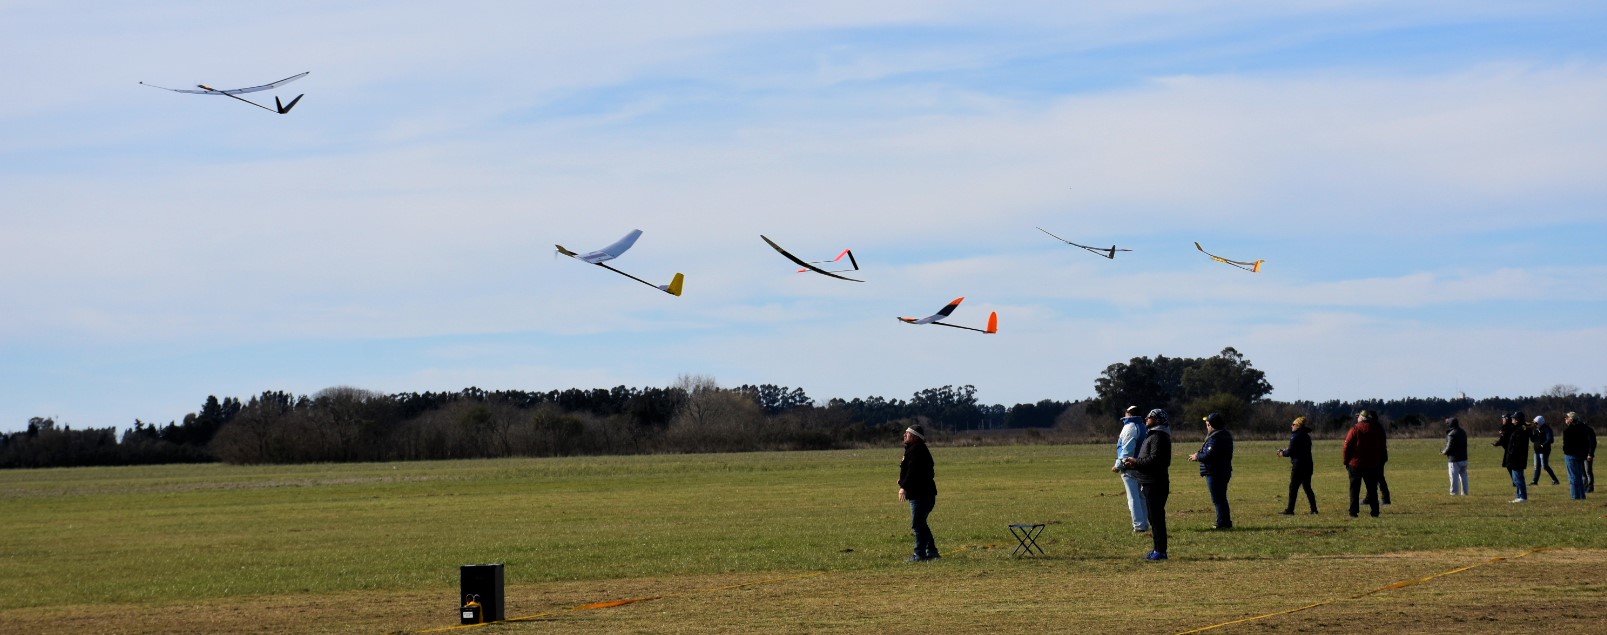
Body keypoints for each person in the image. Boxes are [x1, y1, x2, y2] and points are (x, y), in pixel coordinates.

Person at [1123, 409, 1172, 561]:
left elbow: (1155, 461)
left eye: (1149, 417)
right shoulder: (1153, 435)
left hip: (1155, 483)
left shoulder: (1158, 436)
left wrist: (1135, 462)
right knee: (1153, 517)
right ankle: (1157, 549)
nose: (1146, 418)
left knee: (1156, 518)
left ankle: (1160, 551)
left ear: (1157, 420)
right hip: (1151, 482)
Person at [897, 425, 939, 562]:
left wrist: (904, 486)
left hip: (921, 495)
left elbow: (913, 472)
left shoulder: (916, 450)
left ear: (914, 437)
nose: (905, 435)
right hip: (925, 494)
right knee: (921, 523)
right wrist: (903, 480)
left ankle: (919, 554)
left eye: (907, 434)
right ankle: (932, 551)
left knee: (918, 524)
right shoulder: (915, 449)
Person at [1188, 413, 1234, 529]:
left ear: (1212, 425)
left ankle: (1223, 523)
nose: (1206, 426)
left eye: (1207, 424)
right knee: (1221, 497)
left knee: (1218, 499)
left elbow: (1209, 455)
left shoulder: (1216, 438)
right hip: (1222, 470)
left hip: (1215, 472)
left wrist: (1197, 456)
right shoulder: (1224, 435)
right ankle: (1225, 521)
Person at [1110, 405, 1149, 532]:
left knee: (1133, 498)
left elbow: (1127, 449)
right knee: (1141, 497)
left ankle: (1138, 526)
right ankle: (1145, 523)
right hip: (1142, 465)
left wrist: (1118, 465)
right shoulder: (1143, 426)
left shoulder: (1129, 427)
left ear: (1129, 413)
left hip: (1130, 466)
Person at [1342, 410, 1386, 518]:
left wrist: (1346, 461)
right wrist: (1379, 460)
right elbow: (1382, 446)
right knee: (1372, 489)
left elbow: (1346, 446)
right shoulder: (1377, 429)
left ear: (1361, 418)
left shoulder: (1355, 429)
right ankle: (1375, 511)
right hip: (1372, 464)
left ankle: (1353, 512)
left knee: (1354, 489)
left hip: (1355, 463)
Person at [1277, 416, 1317, 514]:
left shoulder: (1295, 436)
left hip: (1298, 466)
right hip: (1308, 465)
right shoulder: (1306, 436)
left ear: (1298, 426)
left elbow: (1290, 452)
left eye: (1293, 424)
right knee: (1307, 487)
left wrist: (1282, 453)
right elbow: (1297, 449)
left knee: (1293, 488)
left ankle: (1290, 510)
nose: (1292, 426)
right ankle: (1314, 509)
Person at [1495, 411, 1532, 502]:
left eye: (1514, 418)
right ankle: (1519, 496)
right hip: (1515, 457)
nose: (1512, 419)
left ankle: (1523, 497)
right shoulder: (1517, 428)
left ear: (1518, 420)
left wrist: (1511, 453)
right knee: (1516, 478)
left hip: (1517, 457)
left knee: (1518, 478)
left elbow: (1518, 445)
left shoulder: (1521, 430)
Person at [1561, 412, 1596, 500]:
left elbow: (1566, 446)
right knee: (1580, 476)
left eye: (1567, 417)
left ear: (1571, 419)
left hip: (1571, 455)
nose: (1565, 419)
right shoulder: (1584, 429)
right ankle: (1582, 495)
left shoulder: (1568, 431)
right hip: (1581, 455)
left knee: (1573, 477)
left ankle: (1575, 496)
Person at [1531, 415, 1560, 486]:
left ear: (1540, 422)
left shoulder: (1547, 429)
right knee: (1537, 466)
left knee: (1545, 466)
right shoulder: (1536, 430)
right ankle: (1535, 481)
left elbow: (1550, 439)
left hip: (1544, 451)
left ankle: (1555, 480)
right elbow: (1533, 439)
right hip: (1537, 451)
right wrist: (1530, 433)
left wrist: (1543, 445)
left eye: (1536, 423)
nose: (1535, 424)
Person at [1442, 417, 1469, 496]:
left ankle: (1454, 493)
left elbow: (1450, 446)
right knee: (1464, 477)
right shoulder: (1463, 432)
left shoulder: (1452, 434)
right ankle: (1465, 493)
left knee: (1454, 477)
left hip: (1454, 459)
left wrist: (1444, 452)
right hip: (1464, 458)